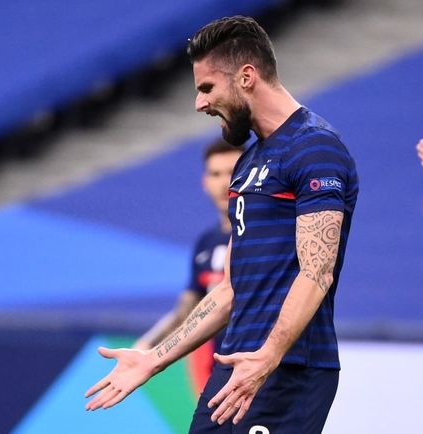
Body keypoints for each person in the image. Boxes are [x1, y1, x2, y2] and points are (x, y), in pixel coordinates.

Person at [85, 15, 358, 434]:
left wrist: (267, 357)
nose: (200, 103)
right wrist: (154, 359)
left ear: (246, 77)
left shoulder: (315, 148)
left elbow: (316, 271)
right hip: (232, 366)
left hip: (287, 369)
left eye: (207, 87)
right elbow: (230, 288)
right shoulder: (249, 162)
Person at [133, 138, 243, 391]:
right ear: (205, 182)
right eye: (216, 174)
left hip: (261, 373)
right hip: (221, 376)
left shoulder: (266, 235)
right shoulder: (206, 242)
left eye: (232, 172)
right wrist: (147, 347)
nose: (224, 183)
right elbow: (186, 312)